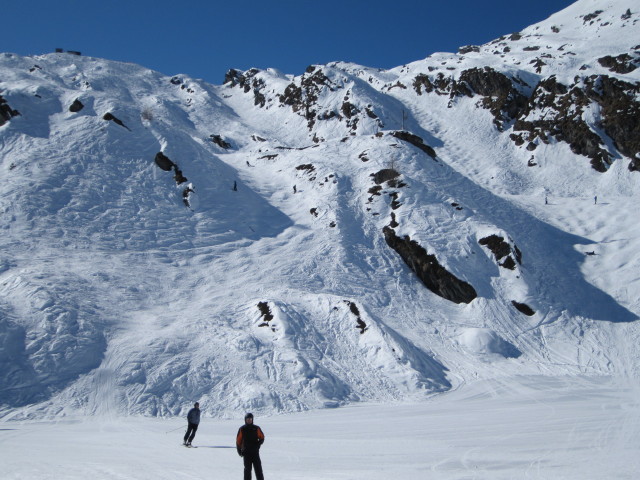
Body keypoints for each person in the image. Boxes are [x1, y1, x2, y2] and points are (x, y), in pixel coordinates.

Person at [236, 413, 265, 480]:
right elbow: (238, 441)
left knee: (258, 470)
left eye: (250, 419)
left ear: (252, 420)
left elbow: (262, 437)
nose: (249, 420)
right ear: (245, 420)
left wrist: (258, 445)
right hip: (246, 453)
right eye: (248, 419)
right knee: (247, 470)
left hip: (255, 453)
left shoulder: (256, 428)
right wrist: (239, 451)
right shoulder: (242, 429)